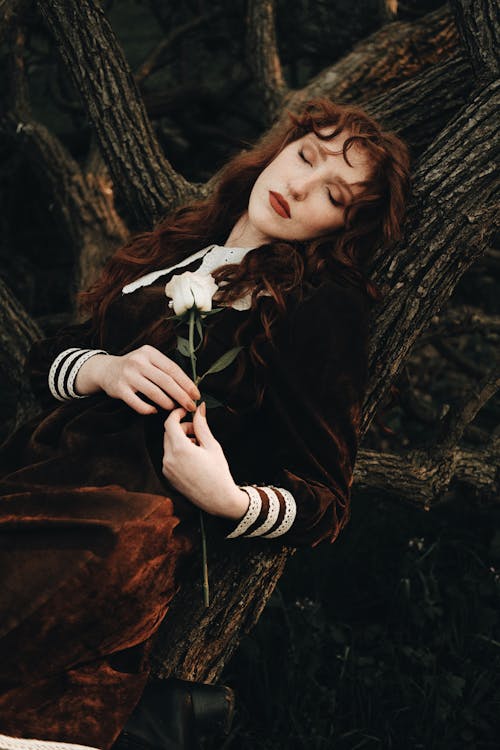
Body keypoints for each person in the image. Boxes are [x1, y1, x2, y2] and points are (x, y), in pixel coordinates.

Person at [0, 98, 411, 750]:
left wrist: (227, 498)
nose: (300, 187)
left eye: (332, 194)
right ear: (278, 150)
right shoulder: (179, 246)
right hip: (31, 485)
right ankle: (155, 725)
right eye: (304, 157)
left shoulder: (318, 305)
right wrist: (101, 369)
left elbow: (326, 500)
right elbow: (47, 357)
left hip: (120, 528)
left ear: (343, 227)